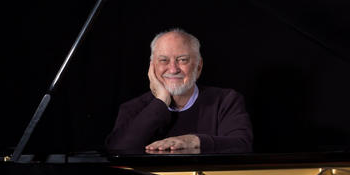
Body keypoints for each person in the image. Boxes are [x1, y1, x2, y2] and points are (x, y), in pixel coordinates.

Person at [106, 28, 253, 154]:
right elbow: (117, 151)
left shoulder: (226, 101)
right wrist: (161, 102)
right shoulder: (132, 108)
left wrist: (194, 141)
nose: (173, 69)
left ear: (198, 66)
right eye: (163, 60)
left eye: (182, 60)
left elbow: (242, 145)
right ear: (152, 67)